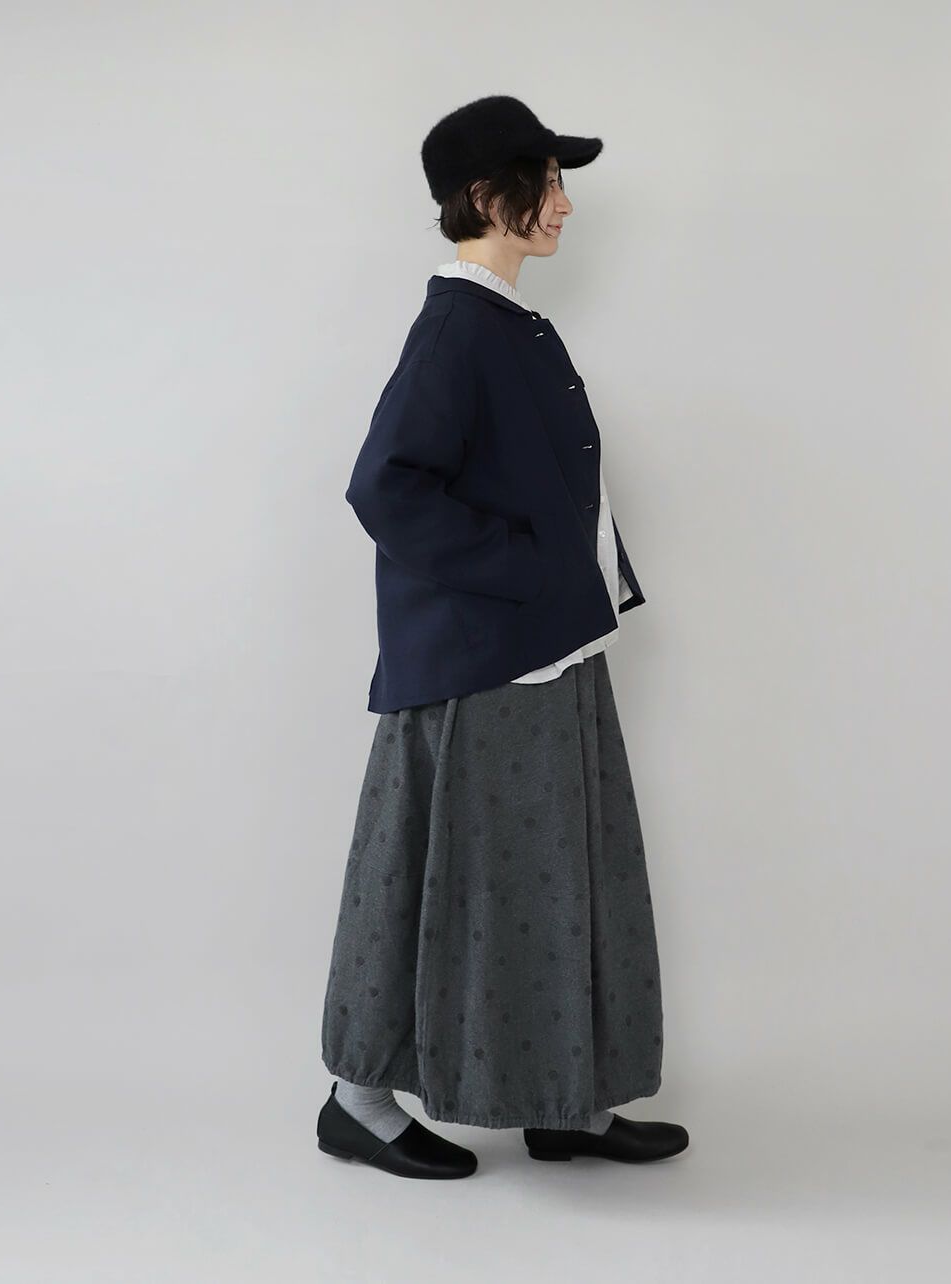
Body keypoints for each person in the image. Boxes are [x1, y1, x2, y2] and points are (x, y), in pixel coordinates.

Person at [317, 95, 689, 1179]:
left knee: (559, 876)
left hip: (547, 649)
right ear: (488, 196)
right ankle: (357, 1102)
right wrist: (524, 577)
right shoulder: (457, 329)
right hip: (489, 663)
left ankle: (563, 1101)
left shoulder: (508, 321)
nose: (565, 203)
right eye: (549, 181)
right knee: (443, 879)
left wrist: (566, 587)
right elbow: (386, 487)